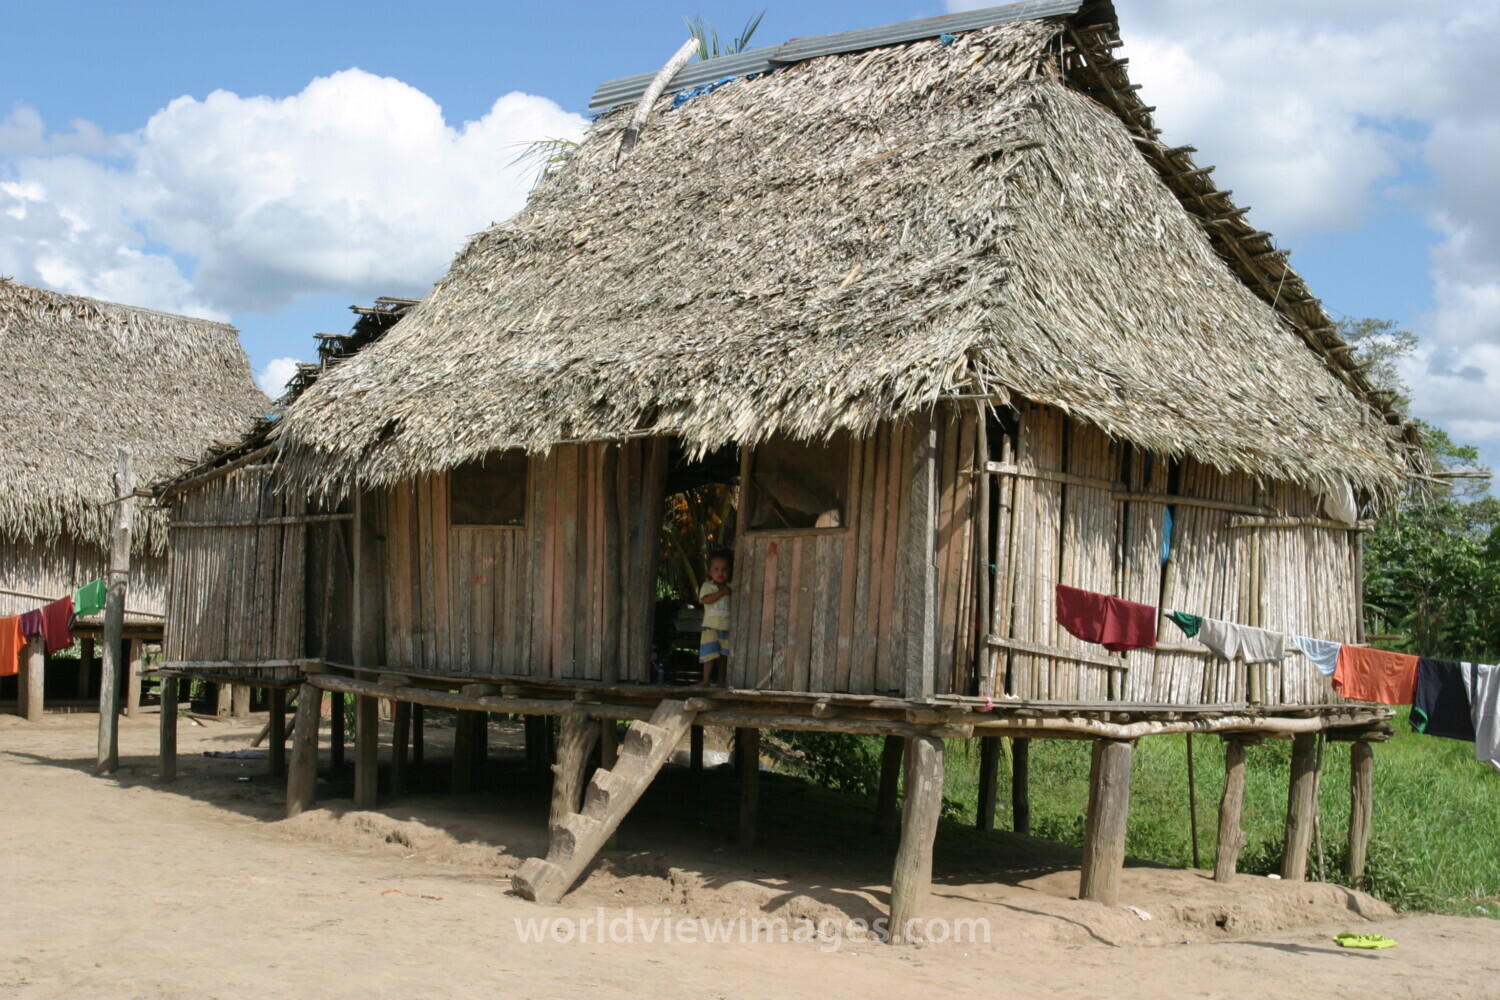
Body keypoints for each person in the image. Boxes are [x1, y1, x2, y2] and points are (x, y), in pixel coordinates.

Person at [698, 550, 733, 686]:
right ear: (709, 572)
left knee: (724, 656)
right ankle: (705, 680)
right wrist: (721, 593)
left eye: (724, 569)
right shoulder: (707, 587)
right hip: (710, 627)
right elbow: (706, 600)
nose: (720, 572)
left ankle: (721, 680)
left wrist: (727, 591)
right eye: (716, 569)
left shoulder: (731, 588)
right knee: (709, 655)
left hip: (726, 627)